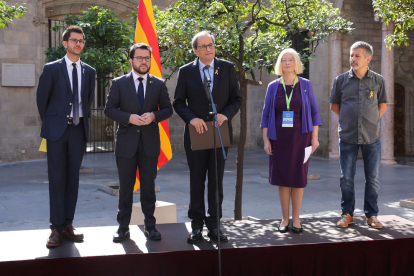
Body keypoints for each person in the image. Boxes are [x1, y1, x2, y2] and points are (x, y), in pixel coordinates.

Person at [173, 31, 242, 243]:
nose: (208, 49)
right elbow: (178, 102)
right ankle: (196, 226)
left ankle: (215, 226)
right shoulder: (186, 71)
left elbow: (236, 99)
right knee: (196, 181)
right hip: (196, 133)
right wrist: (191, 119)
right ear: (195, 50)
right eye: (203, 46)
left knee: (216, 182)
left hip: (219, 133)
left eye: (210, 45)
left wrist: (226, 115)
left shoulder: (227, 68)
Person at [105, 43, 173, 242]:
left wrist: (154, 115)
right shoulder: (119, 83)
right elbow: (109, 110)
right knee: (126, 187)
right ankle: (123, 227)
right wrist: (128, 117)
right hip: (126, 143)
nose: (144, 62)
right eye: (140, 58)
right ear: (131, 60)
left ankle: (150, 226)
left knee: (148, 188)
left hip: (150, 143)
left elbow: (168, 109)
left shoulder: (158, 83)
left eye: (146, 58)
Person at [36, 25, 96, 247]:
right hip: (57, 132)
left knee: (73, 179)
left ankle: (68, 225)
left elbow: (87, 101)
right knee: (57, 179)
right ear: (65, 43)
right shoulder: (52, 69)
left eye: (81, 41)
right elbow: (42, 100)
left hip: (78, 131)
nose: (78, 44)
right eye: (74, 40)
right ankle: (55, 228)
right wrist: (54, 122)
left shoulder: (89, 71)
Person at [260, 48, 321, 234]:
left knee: (298, 178)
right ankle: (284, 218)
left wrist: (315, 138)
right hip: (278, 139)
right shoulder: (273, 86)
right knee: (283, 179)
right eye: (284, 60)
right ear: (280, 63)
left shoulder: (305, 85)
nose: (287, 63)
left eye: (291, 60)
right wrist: (266, 140)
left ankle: (296, 218)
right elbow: (266, 114)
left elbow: (314, 112)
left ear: (296, 63)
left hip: (301, 138)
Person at [330, 41, 388, 229]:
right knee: (346, 178)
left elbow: (383, 105)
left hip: (372, 136)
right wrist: (350, 121)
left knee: (373, 178)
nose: (352, 59)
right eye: (351, 55)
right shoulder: (340, 80)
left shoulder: (378, 80)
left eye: (357, 56)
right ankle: (347, 214)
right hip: (347, 135)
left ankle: (372, 215)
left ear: (368, 59)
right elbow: (334, 106)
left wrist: (370, 121)